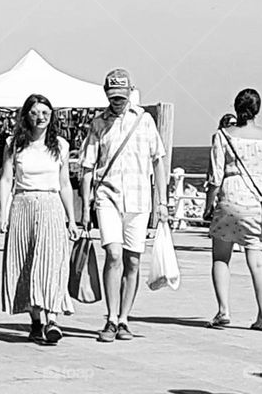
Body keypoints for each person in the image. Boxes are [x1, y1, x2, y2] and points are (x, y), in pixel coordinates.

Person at [79, 68, 168, 343]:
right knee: (114, 255)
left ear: (131, 92)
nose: (117, 101)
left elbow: (158, 161)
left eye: (121, 96)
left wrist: (162, 202)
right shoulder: (98, 123)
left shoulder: (145, 120)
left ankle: (124, 319)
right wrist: (85, 208)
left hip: (139, 199)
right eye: (112, 96)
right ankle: (111, 317)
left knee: (132, 259)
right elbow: (87, 167)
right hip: (108, 197)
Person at [0, 94, 78, 344]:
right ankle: (35, 319)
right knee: (26, 263)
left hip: (51, 204)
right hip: (22, 204)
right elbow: (7, 179)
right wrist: (3, 213)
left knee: (52, 261)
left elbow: (64, 183)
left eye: (45, 112)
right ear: (26, 115)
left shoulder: (61, 145)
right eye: (35, 112)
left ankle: (52, 318)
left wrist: (72, 219)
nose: (40, 117)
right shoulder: (14, 144)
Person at [203, 88, 262, 331]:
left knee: (221, 257)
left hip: (230, 198)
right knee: (257, 261)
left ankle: (223, 311)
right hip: (258, 203)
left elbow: (215, 178)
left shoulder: (223, 136)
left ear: (236, 108)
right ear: (258, 109)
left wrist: (208, 206)